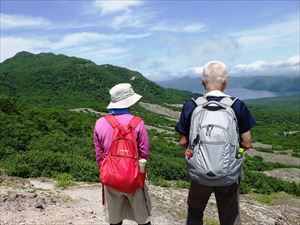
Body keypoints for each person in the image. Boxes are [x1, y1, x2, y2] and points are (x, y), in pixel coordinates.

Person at [176, 61, 255, 225]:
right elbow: (247, 143)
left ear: (202, 81)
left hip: (199, 174)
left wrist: (197, 155)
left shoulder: (191, 105)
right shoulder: (237, 105)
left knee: (195, 212)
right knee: (230, 215)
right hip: (228, 174)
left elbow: (183, 141)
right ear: (226, 81)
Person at [94, 83, 152, 225]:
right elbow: (144, 153)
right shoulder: (138, 123)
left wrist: (108, 170)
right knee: (143, 219)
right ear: (129, 102)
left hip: (111, 177)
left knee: (115, 220)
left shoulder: (100, 123)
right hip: (134, 178)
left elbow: (99, 156)